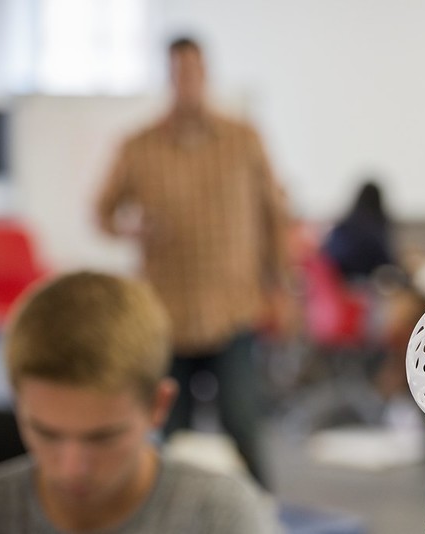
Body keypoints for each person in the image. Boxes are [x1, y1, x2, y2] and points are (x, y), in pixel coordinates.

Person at [96, 36, 291, 487]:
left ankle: (262, 516)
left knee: (243, 422)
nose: (187, 81)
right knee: (166, 430)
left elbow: (273, 218)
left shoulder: (243, 139)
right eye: (178, 72)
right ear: (168, 76)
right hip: (168, 311)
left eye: (194, 71)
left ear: (205, 73)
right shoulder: (138, 145)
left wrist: (280, 288)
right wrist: (132, 227)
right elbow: (103, 212)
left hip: (232, 307)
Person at [0, 271, 282, 534]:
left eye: (102, 437)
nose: (72, 469)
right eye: (46, 433)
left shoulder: (220, 517)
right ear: (17, 403)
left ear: (159, 406)